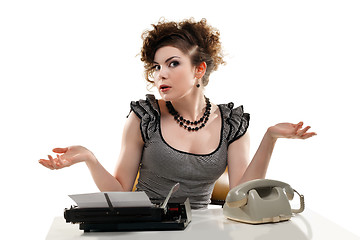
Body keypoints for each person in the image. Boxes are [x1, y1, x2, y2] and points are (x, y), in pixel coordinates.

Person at [39, 18, 316, 209]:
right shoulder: (144, 117)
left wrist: (270, 138)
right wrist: (90, 158)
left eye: (173, 63)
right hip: (143, 225)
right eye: (157, 67)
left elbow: (239, 195)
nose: (161, 74)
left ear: (199, 69)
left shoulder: (232, 124)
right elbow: (121, 192)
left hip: (203, 228)